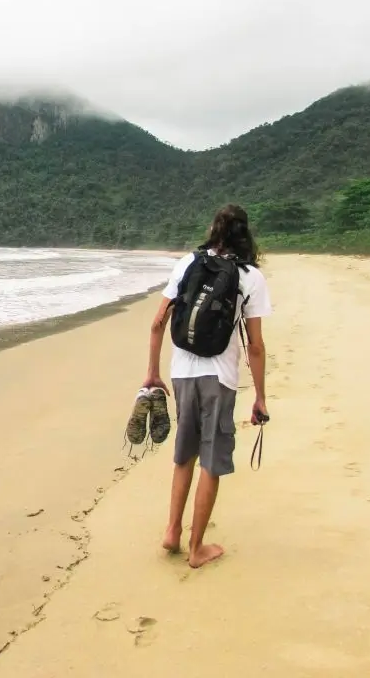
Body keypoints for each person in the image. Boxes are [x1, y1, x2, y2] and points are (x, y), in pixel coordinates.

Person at [143, 204, 272, 569]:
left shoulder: (187, 263)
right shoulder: (250, 277)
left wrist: (152, 374)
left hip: (182, 373)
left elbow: (157, 324)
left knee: (184, 454)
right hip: (220, 378)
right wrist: (260, 396)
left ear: (213, 229)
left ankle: (172, 531)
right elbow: (257, 346)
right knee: (211, 461)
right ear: (246, 234)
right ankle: (196, 548)